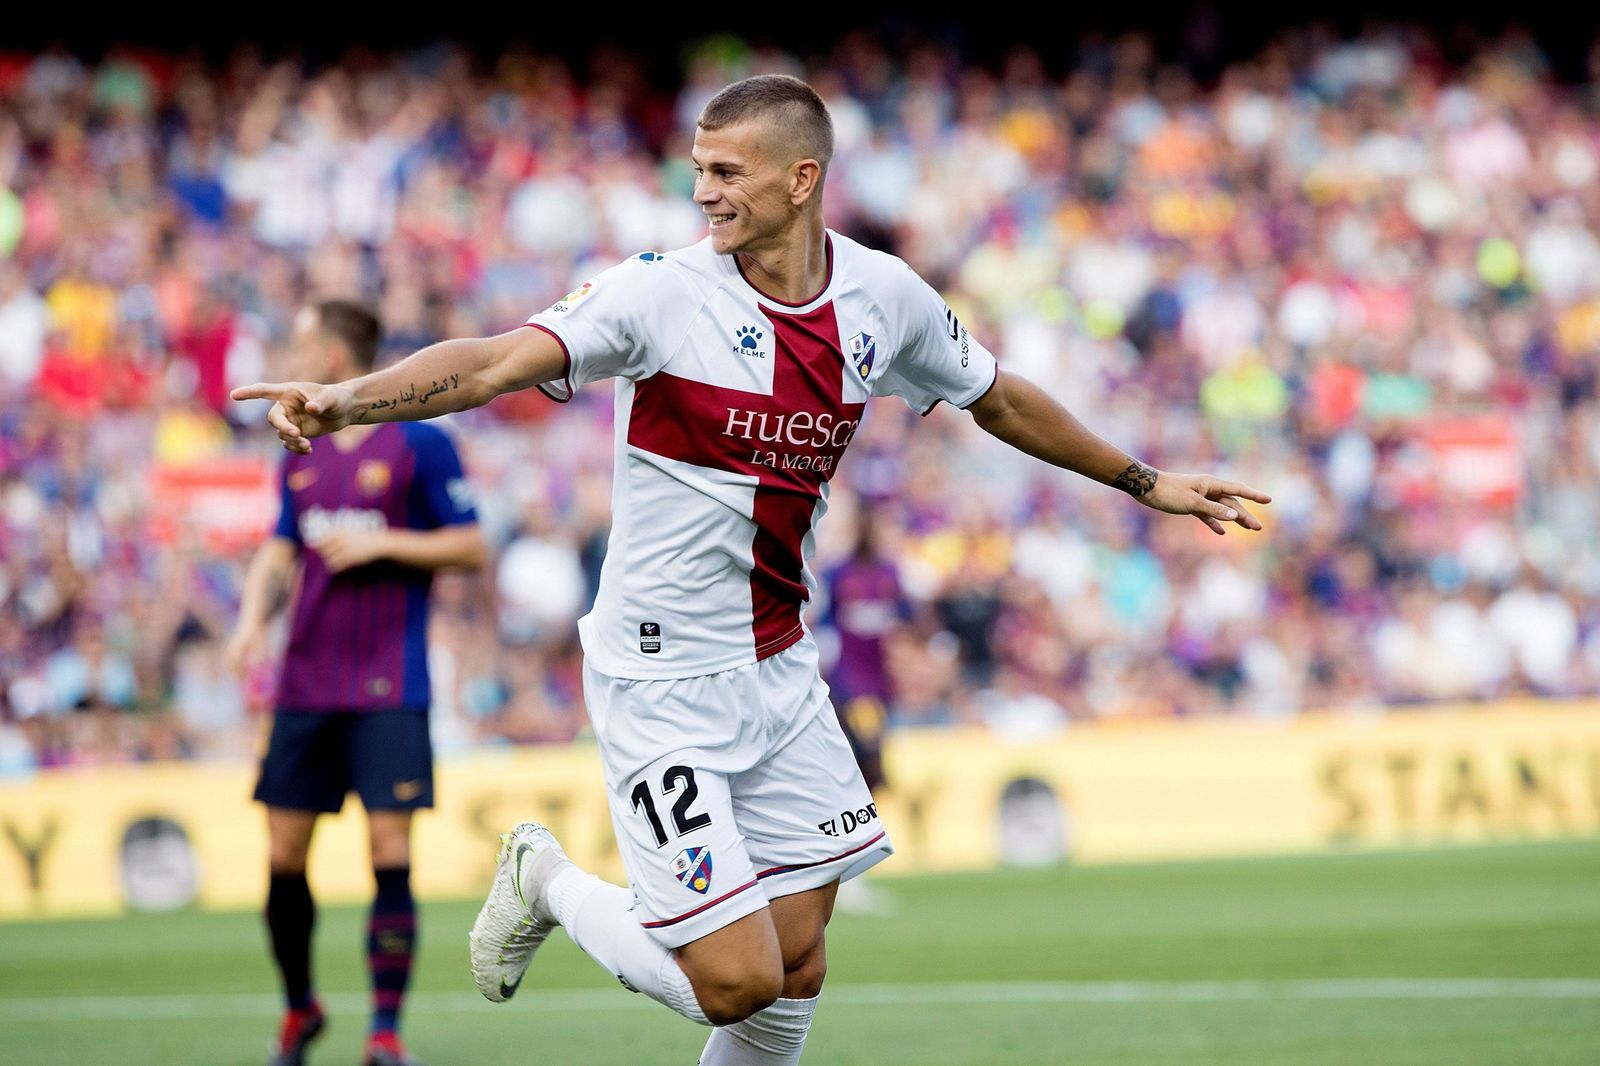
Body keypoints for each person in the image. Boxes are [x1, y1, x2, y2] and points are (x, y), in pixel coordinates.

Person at [234, 75, 1268, 1066]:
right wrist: (349, 399)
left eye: (727, 172)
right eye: (698, 168)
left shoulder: (881, 296)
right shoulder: (654, 295)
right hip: (658, 679)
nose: (703, 192)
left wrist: (1143, 480)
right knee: (736, 981)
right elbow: (499, 358)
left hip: (777, 669)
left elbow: (995, 395)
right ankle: (545, 879)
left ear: (800, 180)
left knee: (800, 963)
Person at [226, 300, 486, 1066]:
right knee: (281, 854)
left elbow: (471, 545)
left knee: (388, 843)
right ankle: (301, 1008)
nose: (295, 352)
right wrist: (250, 622)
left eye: (304, 341)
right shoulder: (298, 442)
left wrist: (383, 547)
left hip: (387, 682)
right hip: (305, 678)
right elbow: (281, 549)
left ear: (337, 356)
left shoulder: (423, 445)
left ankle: (383, 1032)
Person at [816, 510, 907, 915]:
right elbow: (823, 623)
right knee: (859, 769)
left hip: (880, 687)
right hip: (851, 686)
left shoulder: (890, 574)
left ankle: (852, 866)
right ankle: (845, 868)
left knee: (872, 775)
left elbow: (905, 623)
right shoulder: (839, 574)